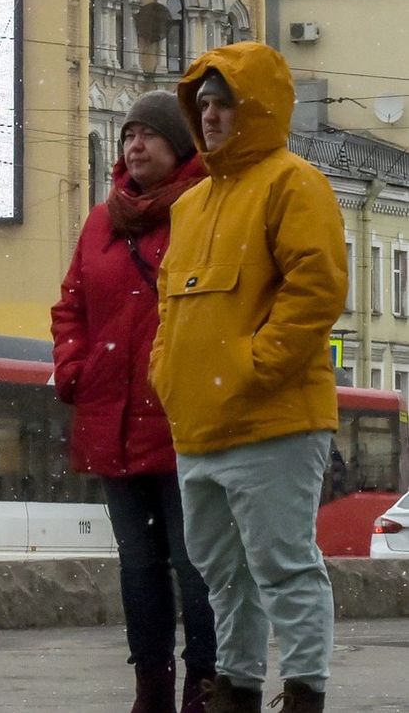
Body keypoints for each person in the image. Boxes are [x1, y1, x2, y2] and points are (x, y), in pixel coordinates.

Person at [149, 44, 349, 713]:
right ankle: (236, 687)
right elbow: (169, 307)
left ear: (255, 108)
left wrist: (252, 367)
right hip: (199, 425)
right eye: (201, 104)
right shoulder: (191, 205)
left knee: (283, 565)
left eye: (223, 102)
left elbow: (315, 290)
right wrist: (169, 375)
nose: (209, 116)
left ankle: (303, 691)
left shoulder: (296, 183)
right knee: (220, 572)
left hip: (275, 420)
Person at [51, 91, 216, 713]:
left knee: (195, 564)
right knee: (139, 569)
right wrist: (74, 367)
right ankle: (151, 690)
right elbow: (71, 303)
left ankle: (205, 687)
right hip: (112, 419)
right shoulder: (103, 219)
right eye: (127, 136)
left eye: (148, 135)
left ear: (179, 145)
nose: (134, 146)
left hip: (183, 423)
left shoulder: (204, 208)